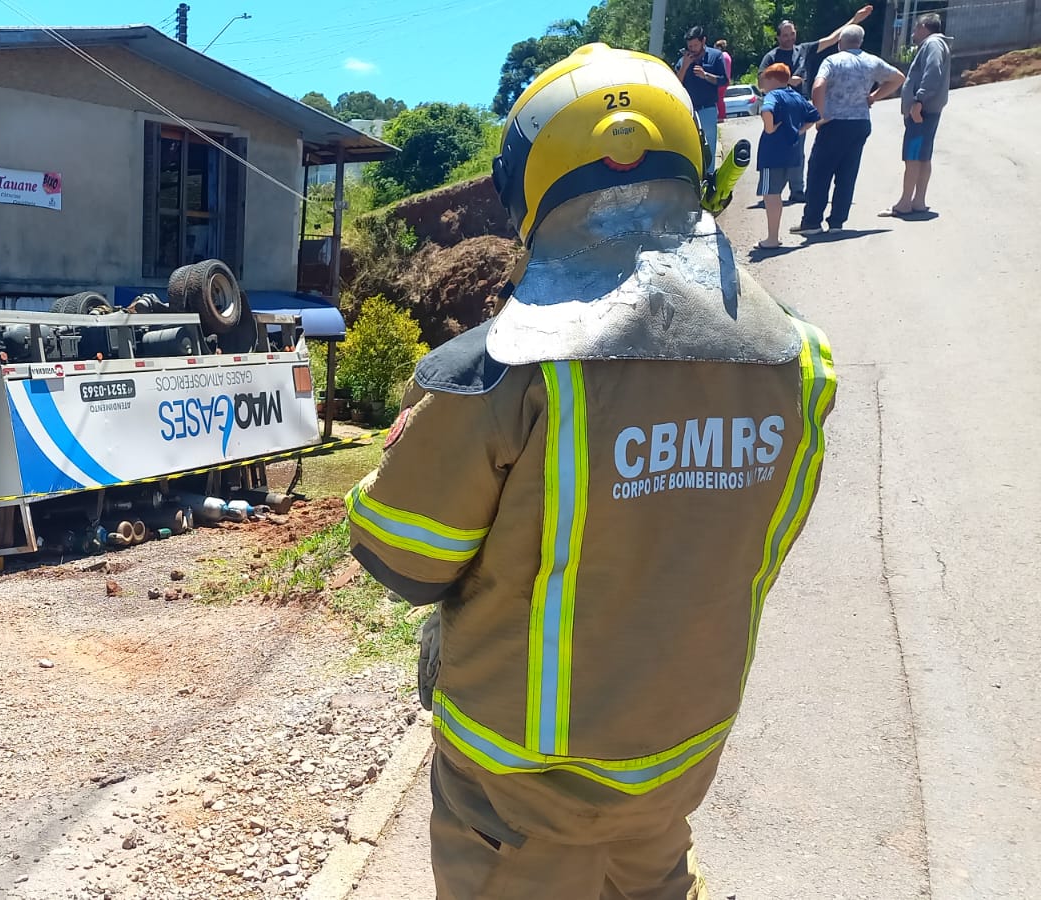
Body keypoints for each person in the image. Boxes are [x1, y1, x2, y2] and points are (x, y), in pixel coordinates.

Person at [350, 42, 837, 899]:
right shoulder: (799, 361)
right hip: (680, 753)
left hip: (517, 781)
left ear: (532, 186)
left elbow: (400, 558)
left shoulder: (502, 371)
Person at [793, 24, 905, 235]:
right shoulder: (871, 60)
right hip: (860, 122)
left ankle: (812, 222)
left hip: (834, 122)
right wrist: (874, 96)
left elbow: (818, 86)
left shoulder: (833, 61)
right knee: (847, 173)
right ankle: (837, 222)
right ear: (860, 42)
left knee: (820, 171)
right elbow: (898, 77)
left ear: (840, 43)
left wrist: (818, 115)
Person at [759, 6, 877, 202]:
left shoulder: (804, 49)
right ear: (778, 37)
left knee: (797, 148)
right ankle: (771, 191)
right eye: (785, 35)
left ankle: (797, 191)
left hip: (800, 107)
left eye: (792, 34)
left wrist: (855, 19)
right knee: (775, 147)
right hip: (778, 108)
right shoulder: (771, 57)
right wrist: (787, 81)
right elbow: (761, 81)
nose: (789, 38)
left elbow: (832, 39)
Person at [883, 13, 952, 217]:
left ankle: (905, 203)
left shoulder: (933, 44)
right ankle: (918, 201)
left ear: (924, 27)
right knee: (922, 156)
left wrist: (919, 101)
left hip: (922, 110)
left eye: (915, 28)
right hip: (927, 110)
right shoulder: (936, 44)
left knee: (913, 156)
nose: (913, 33)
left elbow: (933, 71)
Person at [755, 64, 821, 248]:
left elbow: (767, 110)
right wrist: (800, 131)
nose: (764, 86)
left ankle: (772, 238)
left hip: (771, 154)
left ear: (774, 80)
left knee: (771, 195)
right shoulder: (796, 96)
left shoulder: (773, 95)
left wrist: (769, 128)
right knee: (777, 193)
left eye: (766, 81)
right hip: (791, 153)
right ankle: (773, 236)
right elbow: (815, 115)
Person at [676, 26, 729, 175]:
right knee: (690, 146)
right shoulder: (682, 61)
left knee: (709, 146)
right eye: (690, 46)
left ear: (703, 41)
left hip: (708, 109)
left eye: (695, 45)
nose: (692, 49)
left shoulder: (716, 56)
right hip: (689, 111)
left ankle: (709, 178)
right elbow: (676, 84)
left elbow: (724, 81)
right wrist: (685, 66)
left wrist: (705, 75)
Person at [714, 39, 734, 122]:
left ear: (719, 47)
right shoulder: (727, 55)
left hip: (722, 80)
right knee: (720, 98)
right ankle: (722, 115)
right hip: (726, 79)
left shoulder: (722, 56)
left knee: (718, 99)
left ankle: (721, 116)